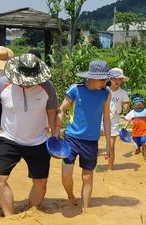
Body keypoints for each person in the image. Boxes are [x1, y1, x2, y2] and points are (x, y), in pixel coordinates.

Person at [0, 53, 58, 216]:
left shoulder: (47, 87)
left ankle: (32, 212)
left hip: (38, 142)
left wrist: (55, 135)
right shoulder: (2, 84)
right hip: (9, 139)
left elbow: (52, 113)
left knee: (40, 183)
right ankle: (10, 217)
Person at [55, 60, 111, 211]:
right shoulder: (76, 89)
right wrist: (56, 132)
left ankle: (86, 209)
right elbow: (61, 110)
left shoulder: (106, 93)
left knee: (87, 177)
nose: (106, 82)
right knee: (66, 174)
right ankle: (71, 196)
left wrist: (108, 144)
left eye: (106, 80)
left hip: (91, 142)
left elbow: (106, 118)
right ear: (92, 77)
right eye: (103, 80)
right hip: (71, 139)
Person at [105, 68, 130, 170]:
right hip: (100, 118)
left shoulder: (122, 93)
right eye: (115, 79)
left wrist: (126, 107)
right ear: (109, 79)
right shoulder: (103, 90)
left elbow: (126, 103)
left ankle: (110, 168)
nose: (117, 81)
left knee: (111, 146)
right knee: (92, 143)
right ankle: (91, 165)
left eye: (119, 79)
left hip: (114, 120)